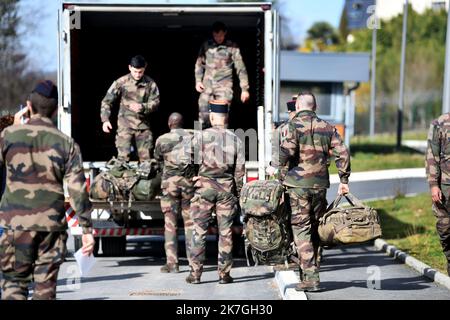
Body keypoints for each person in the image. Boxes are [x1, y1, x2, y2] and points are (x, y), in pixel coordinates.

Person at [0, 81, 95, 300]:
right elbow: (78, 190)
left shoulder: (8, 136)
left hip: (15, 226)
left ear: (28, 106)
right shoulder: (67, 144)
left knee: (13, 286)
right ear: (55, 111)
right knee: (45, 291)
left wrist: (13, 128)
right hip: (51, 228)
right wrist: (87, 230)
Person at [276, 92, 351, 292]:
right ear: (315, 107)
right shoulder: (327, 127)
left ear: (298, 106)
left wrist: (278, 168)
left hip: (297, 186)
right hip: (319, 186)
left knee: (301, 229)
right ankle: (310, 270)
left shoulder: (292, 125)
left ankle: (311, 277)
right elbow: (342, 152)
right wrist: (344, 179)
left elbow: (288, 151)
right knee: (316, 226)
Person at [187, 101, 245, 284]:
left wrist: (193, 178)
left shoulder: (199, 137)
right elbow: (239, 171)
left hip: (203, 187)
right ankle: (224, 275)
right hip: (226, 189)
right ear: (226, 117)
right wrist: (238, 193)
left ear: (212, 116)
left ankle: (195, 275)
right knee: (226, 232)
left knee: (198, 231)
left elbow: (188, 161)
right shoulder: (236, 139)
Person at [154, 113, 197, 273]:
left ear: (169, 123)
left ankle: (173, 264)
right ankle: (194, 263)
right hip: (188, 184)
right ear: (182, 123)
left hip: (170, 185)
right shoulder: (193, 136)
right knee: (191, 224)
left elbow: (158, 160)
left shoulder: (161, 139)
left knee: (170, 224)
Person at [101, 55, 160, 162]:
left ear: (145, 68)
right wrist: (105, 120)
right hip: (125, 126)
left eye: (140, 72)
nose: (137, 75)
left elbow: (156, 102)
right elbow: (107, 101)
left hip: (143, 127)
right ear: (129, 68)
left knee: (146, 161)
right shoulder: (121, 82)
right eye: (135, 71)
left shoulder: (150, 84)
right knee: (123, 159)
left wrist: (143, 107)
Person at [195, 21, 250, 129]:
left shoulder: (232, 47)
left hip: (224, 88)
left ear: (225, 33)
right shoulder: (207, 46)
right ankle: (201, 141)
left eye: (220, 35)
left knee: (221, 117)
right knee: (203, 115)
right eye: (215, 35)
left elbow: (240, 68)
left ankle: (222, 143)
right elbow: (199, 64)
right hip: (207, 86)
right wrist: (198, 81)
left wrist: (244, 89)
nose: (218, 38)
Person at [426, 112, 450, 276]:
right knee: (445, 228)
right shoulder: (440, 123)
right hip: (445, 187)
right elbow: (432, 156)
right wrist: (434, 184)